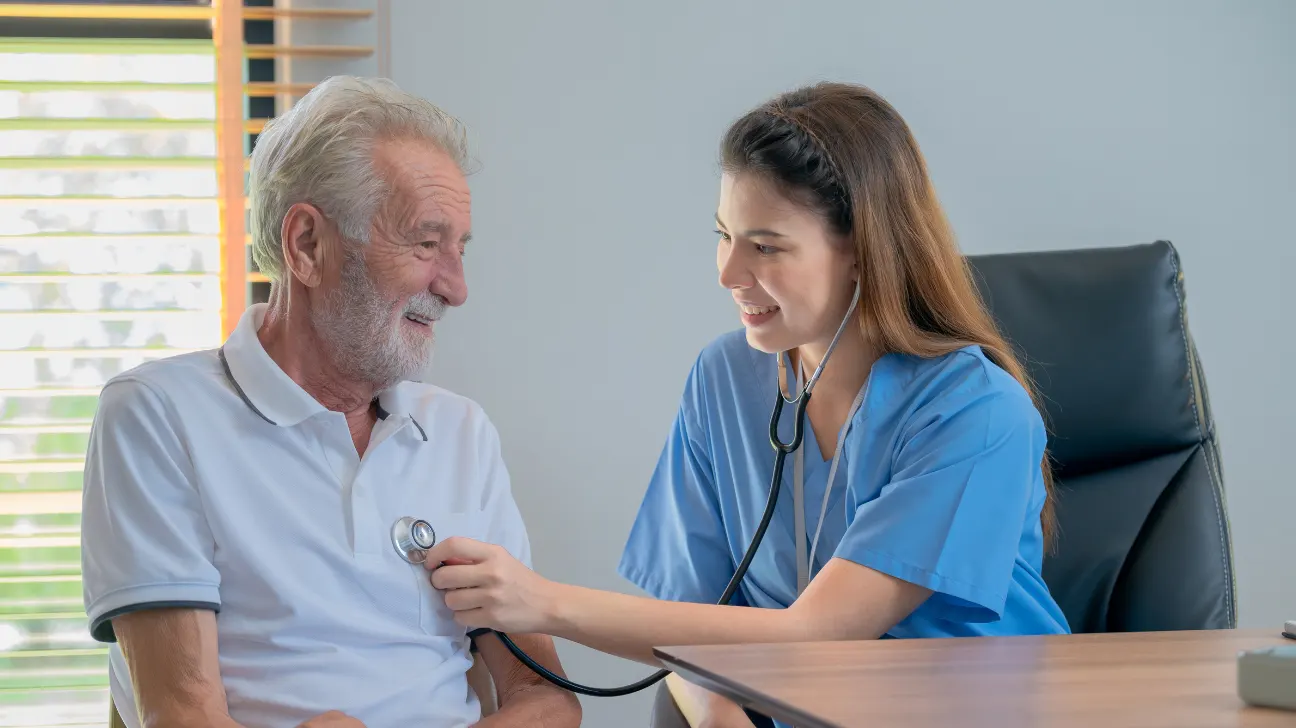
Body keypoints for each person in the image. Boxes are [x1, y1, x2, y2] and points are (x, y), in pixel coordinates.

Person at [420, 82, 1071, 727]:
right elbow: (694, 615)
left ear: (862, 250)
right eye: (723, 234)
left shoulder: (976, 412)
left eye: (765, 246)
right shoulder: (725, 379)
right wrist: (718, 712)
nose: (728, 272)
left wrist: (539, 602)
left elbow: (820, 634)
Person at [79, 76, 581, 728]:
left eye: (459, 249)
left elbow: (546, 699)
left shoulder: (461, 432)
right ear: (308, 246)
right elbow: (181, 716)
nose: (456, 288)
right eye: (426, 243)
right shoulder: (156, 415)